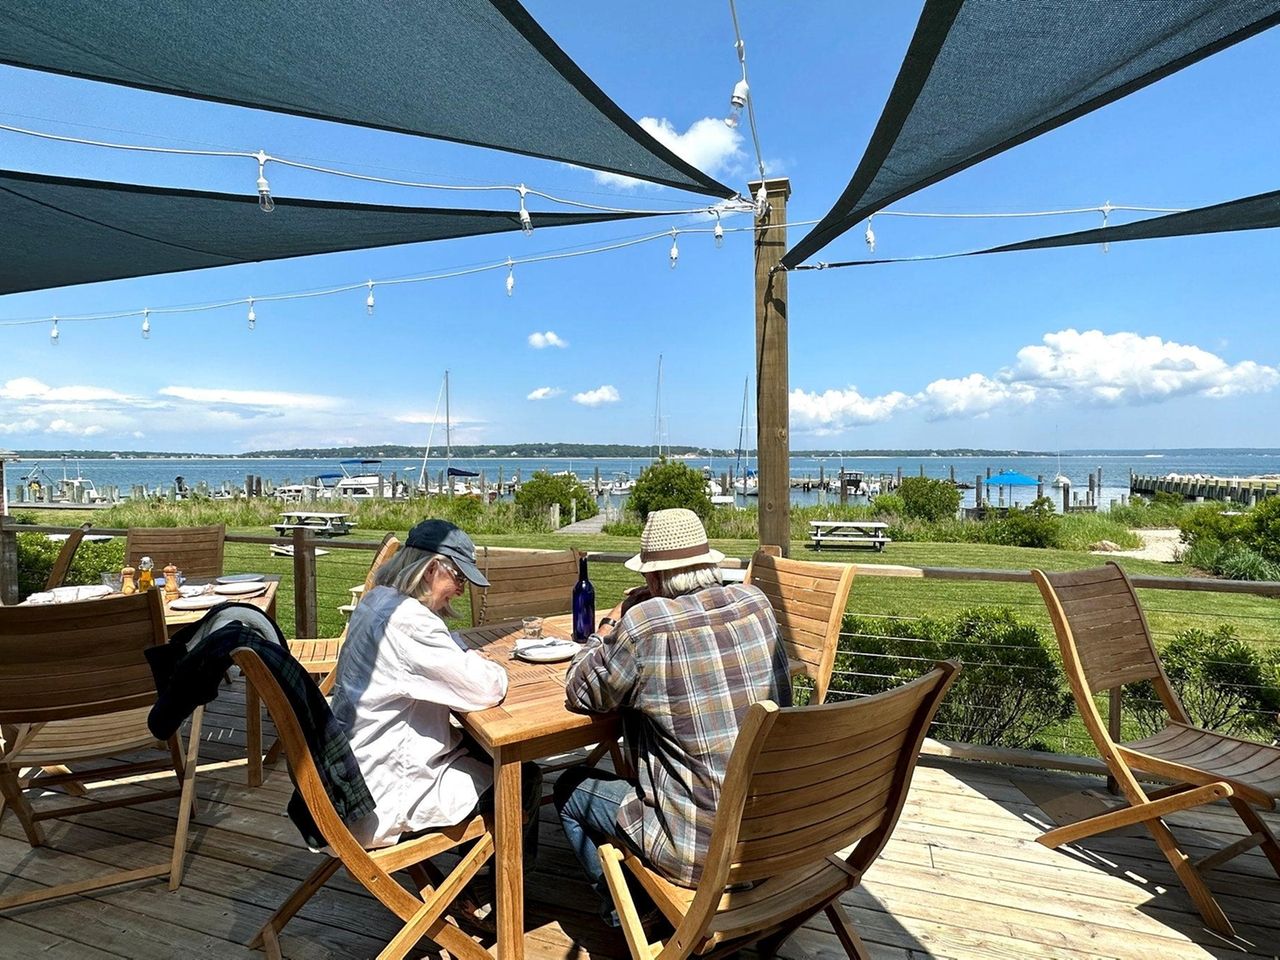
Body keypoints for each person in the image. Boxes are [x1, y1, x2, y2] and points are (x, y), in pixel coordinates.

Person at [554, 508, 790, 923]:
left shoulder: (645, 623)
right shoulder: (756, 603)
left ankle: (633, 915)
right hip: (772, 835)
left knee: (571, 786)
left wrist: (609, 624)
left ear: (653, 577)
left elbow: (582, 691)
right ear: (708, 564)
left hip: (697, 851)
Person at [330, 518, 539, 857]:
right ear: (430, 570)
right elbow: (485, 687)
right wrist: (486, 663)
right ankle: (488, 892)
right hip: (385, 792)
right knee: (522, 777)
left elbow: (437, 659)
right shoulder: (410, 623)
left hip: (351, 770)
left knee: (482, 751)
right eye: (458, 577)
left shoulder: (377, 602)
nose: (460, 589)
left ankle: (469, 880)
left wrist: (460, 653)